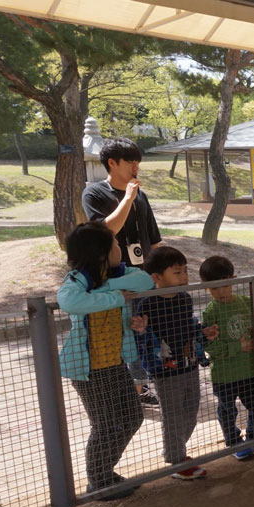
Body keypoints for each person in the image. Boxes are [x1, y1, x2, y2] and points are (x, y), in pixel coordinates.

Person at [58, 221, 154, 501]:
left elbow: (145, 280)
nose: (118, 248)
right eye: (113, 244)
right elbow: (69, 301)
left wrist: (105, 287)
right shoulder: (77, 280)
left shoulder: (114, 274)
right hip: (89, 370)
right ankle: (98, 481)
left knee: (133, 417)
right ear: (99, 252)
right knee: (106, 425)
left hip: (115, 363)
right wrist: (114, 296)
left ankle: (104, 472)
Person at [82, 137, 162, 405]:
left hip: (147, 276)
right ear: (112, 163)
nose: (135, 166)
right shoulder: (93, 193)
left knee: (150, 331)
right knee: (129, 334)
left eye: (137, 160)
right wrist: (127, 197)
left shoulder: (142, 195)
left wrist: (164, 269)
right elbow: (106, 232)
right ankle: (138, 391)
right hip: (118, 280)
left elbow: (154, 238)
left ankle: (153, 381)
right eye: (130, 160)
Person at [132, 247, 215, 480]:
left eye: (185, 271)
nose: (184, 277)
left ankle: (175, 452)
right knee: (172, 416)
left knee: (191, 410)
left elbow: (189, 328)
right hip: (165, 372)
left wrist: (202, 333)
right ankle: (176, 460)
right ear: (156, 278)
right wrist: (140, 330)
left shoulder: (185, 298)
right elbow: (142, 337)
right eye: (177, 273)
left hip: (189, 365)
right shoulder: (147, 304)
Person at [200, 256, 254, 460]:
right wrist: (238, 346)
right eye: (214, 288)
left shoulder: (246, 302)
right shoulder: (211, 311)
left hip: (250, 369)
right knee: (227, 410)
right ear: (206, 288)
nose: (221, 292)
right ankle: (234, 443)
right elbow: (210, 345)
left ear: (234, 280)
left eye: (225, 285)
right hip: (224, 374)